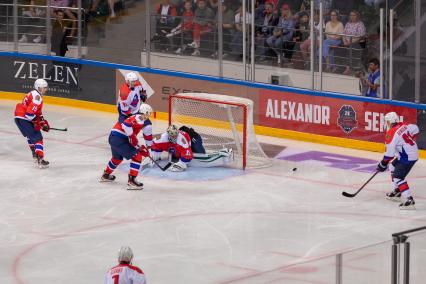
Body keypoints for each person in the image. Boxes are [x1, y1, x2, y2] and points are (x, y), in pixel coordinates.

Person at [100, 104, 153, 189]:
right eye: (149, 113)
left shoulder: (136, 117)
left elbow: (132, 140)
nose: (149, 115)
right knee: (137, 157)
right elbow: (126, 125)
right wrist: (134, 139)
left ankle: (106, 175)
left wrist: (140, 148)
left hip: (113, 137)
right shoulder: (140, 118)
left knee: (117, 158)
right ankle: (132, 181)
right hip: (119, 138)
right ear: (145, 112)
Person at [376, 112, 419, 209]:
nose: (386, 123)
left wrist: (383, 164)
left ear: (390, 122)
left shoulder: (391, 133)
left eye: (387, 121)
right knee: (392, 166)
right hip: (409, 154)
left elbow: (389, 154)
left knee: (398, 177)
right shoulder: (404, 125)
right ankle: (397, 191)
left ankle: (409, 200)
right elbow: (416, 129)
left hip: (408, 157)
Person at [150, 125, 233, 171]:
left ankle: (225, 154)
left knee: (201, 156)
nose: (175, 136)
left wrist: (181, 164)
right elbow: (156, 146)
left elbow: (188, 156)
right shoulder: (163, 138)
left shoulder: (181, 140)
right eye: (173, 135)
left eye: (176, 134)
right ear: (169, 135)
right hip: (187, 142)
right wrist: (154, 156)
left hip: (195, 140)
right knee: (177, 153)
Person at [14, 79, 50, 168]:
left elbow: (37, 112)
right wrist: (39, 123)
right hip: (25, 118)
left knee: (30, 136)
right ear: (39, 88)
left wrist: (42, 122)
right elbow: (29, 114)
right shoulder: (37, 98)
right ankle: (40, 159)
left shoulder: (33, 93)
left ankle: (34, 154)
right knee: (38, 139)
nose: (46, 89)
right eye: (44, 88)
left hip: (18, 117)